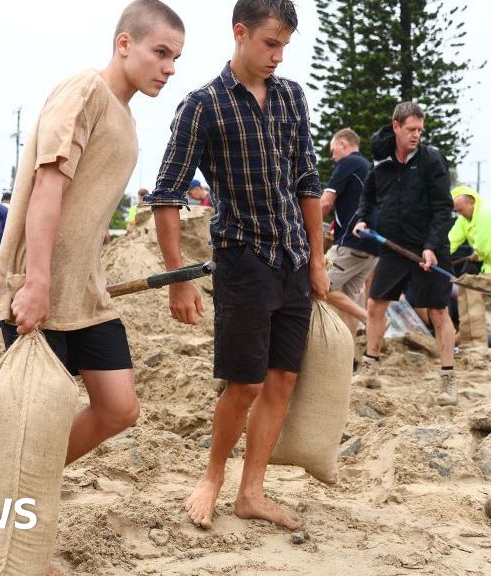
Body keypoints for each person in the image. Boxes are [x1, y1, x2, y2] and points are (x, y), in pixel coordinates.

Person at [0, 0, 185, 535]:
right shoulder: (85, 91)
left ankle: (20, 487)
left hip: (86, 294)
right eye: (160, 52)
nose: (169, 67)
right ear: (124, 44)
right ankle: (19, 538)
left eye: (176, 59)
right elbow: (48, 187)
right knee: (40, 422)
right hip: (41, 286)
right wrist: (35, 281)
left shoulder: (124, 113)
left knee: (119, 408)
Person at [144, 0, 325, 531]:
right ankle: (213, 478)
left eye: (285, 46)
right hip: (242, 260)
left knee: (283, 379)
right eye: (270, 43)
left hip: (292, 257)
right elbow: (167, 195)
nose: (278, 55)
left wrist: (317, 260)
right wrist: (178, 279)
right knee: (243, 383)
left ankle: (252, 492)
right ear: (240, 33)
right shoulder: (203, 105)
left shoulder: (292, 97)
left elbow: (308, 183)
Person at [352, 102, 456, 405]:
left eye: (420, 130)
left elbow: (442, 209)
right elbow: (368, 196)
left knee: (438, 311)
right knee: (375, 304)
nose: (416, 135)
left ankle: (448, 380)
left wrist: (431, 246)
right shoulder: (381, 159)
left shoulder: (432, 161)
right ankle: (369, 367)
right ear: (396, 127)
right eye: (411, 129)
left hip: (430, 247)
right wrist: (362, 219)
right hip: (393, 246)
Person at [320, 127, 377, 336]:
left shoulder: (349, 163)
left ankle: (370, 320)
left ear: (344, 144)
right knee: (347, 301)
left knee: (319, 285)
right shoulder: (368, 167)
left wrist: (303, 228)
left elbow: (325, 204)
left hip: (351, 243)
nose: (333, 157)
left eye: (333, 150)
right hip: (371, 247)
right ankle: (348, 360)